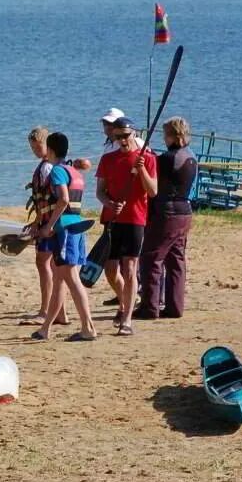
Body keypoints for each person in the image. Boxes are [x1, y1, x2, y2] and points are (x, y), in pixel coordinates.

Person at [28, 132, 97, 341]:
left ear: (49, 150)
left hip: (64, 230)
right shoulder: (73, 171)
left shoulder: (58, 170)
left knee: (72, 279)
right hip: (75, 227)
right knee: (58, 278)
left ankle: (88, 328)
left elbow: (64, 199)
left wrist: (48, 225)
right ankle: (45, 329)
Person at [94, 117, 159, 336]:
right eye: (117, 136)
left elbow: (152, 191)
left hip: (135, 219)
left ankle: (127, 320)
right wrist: (110, 203)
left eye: (125, 136)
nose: (122, 140)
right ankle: (124, 303)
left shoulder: (147, 159)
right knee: (111, 270)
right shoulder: (108, 159)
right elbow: (100, 191)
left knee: (129, 268)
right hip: (113, 219)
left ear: (134, 134)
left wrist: (141, 170)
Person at [137, 117, 197, 320]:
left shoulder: (168, 159)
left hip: (167, 212)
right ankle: (175, 306)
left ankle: (149, 307)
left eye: (165, 134)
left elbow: (154, 184)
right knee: (175, 259)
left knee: (151, 258)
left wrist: (144, 164)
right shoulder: (191, 157)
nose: (164, 138)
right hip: (185, 211)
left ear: (171, 135)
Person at [20, 126, 67, 330]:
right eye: (32, 148)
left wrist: (45, 223)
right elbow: (43, 200)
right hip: (48, 220)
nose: (36, 151)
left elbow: (54, 198)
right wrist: (36, 220)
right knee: (53, 266)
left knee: (45, 263)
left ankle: (46, 310)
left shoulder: (49, 168)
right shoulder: (46, 166)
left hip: (51, 223)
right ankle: (60, 312)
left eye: (38, 147)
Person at [96, 108, 129, 304]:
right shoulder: (109, 148)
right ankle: (122, 293)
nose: (107, 128)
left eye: (110, 124)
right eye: (105, 124)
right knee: (113, 259)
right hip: (110, 208)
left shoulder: (134, 145)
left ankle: (128, 295)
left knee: (126, 258)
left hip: (127, 211)